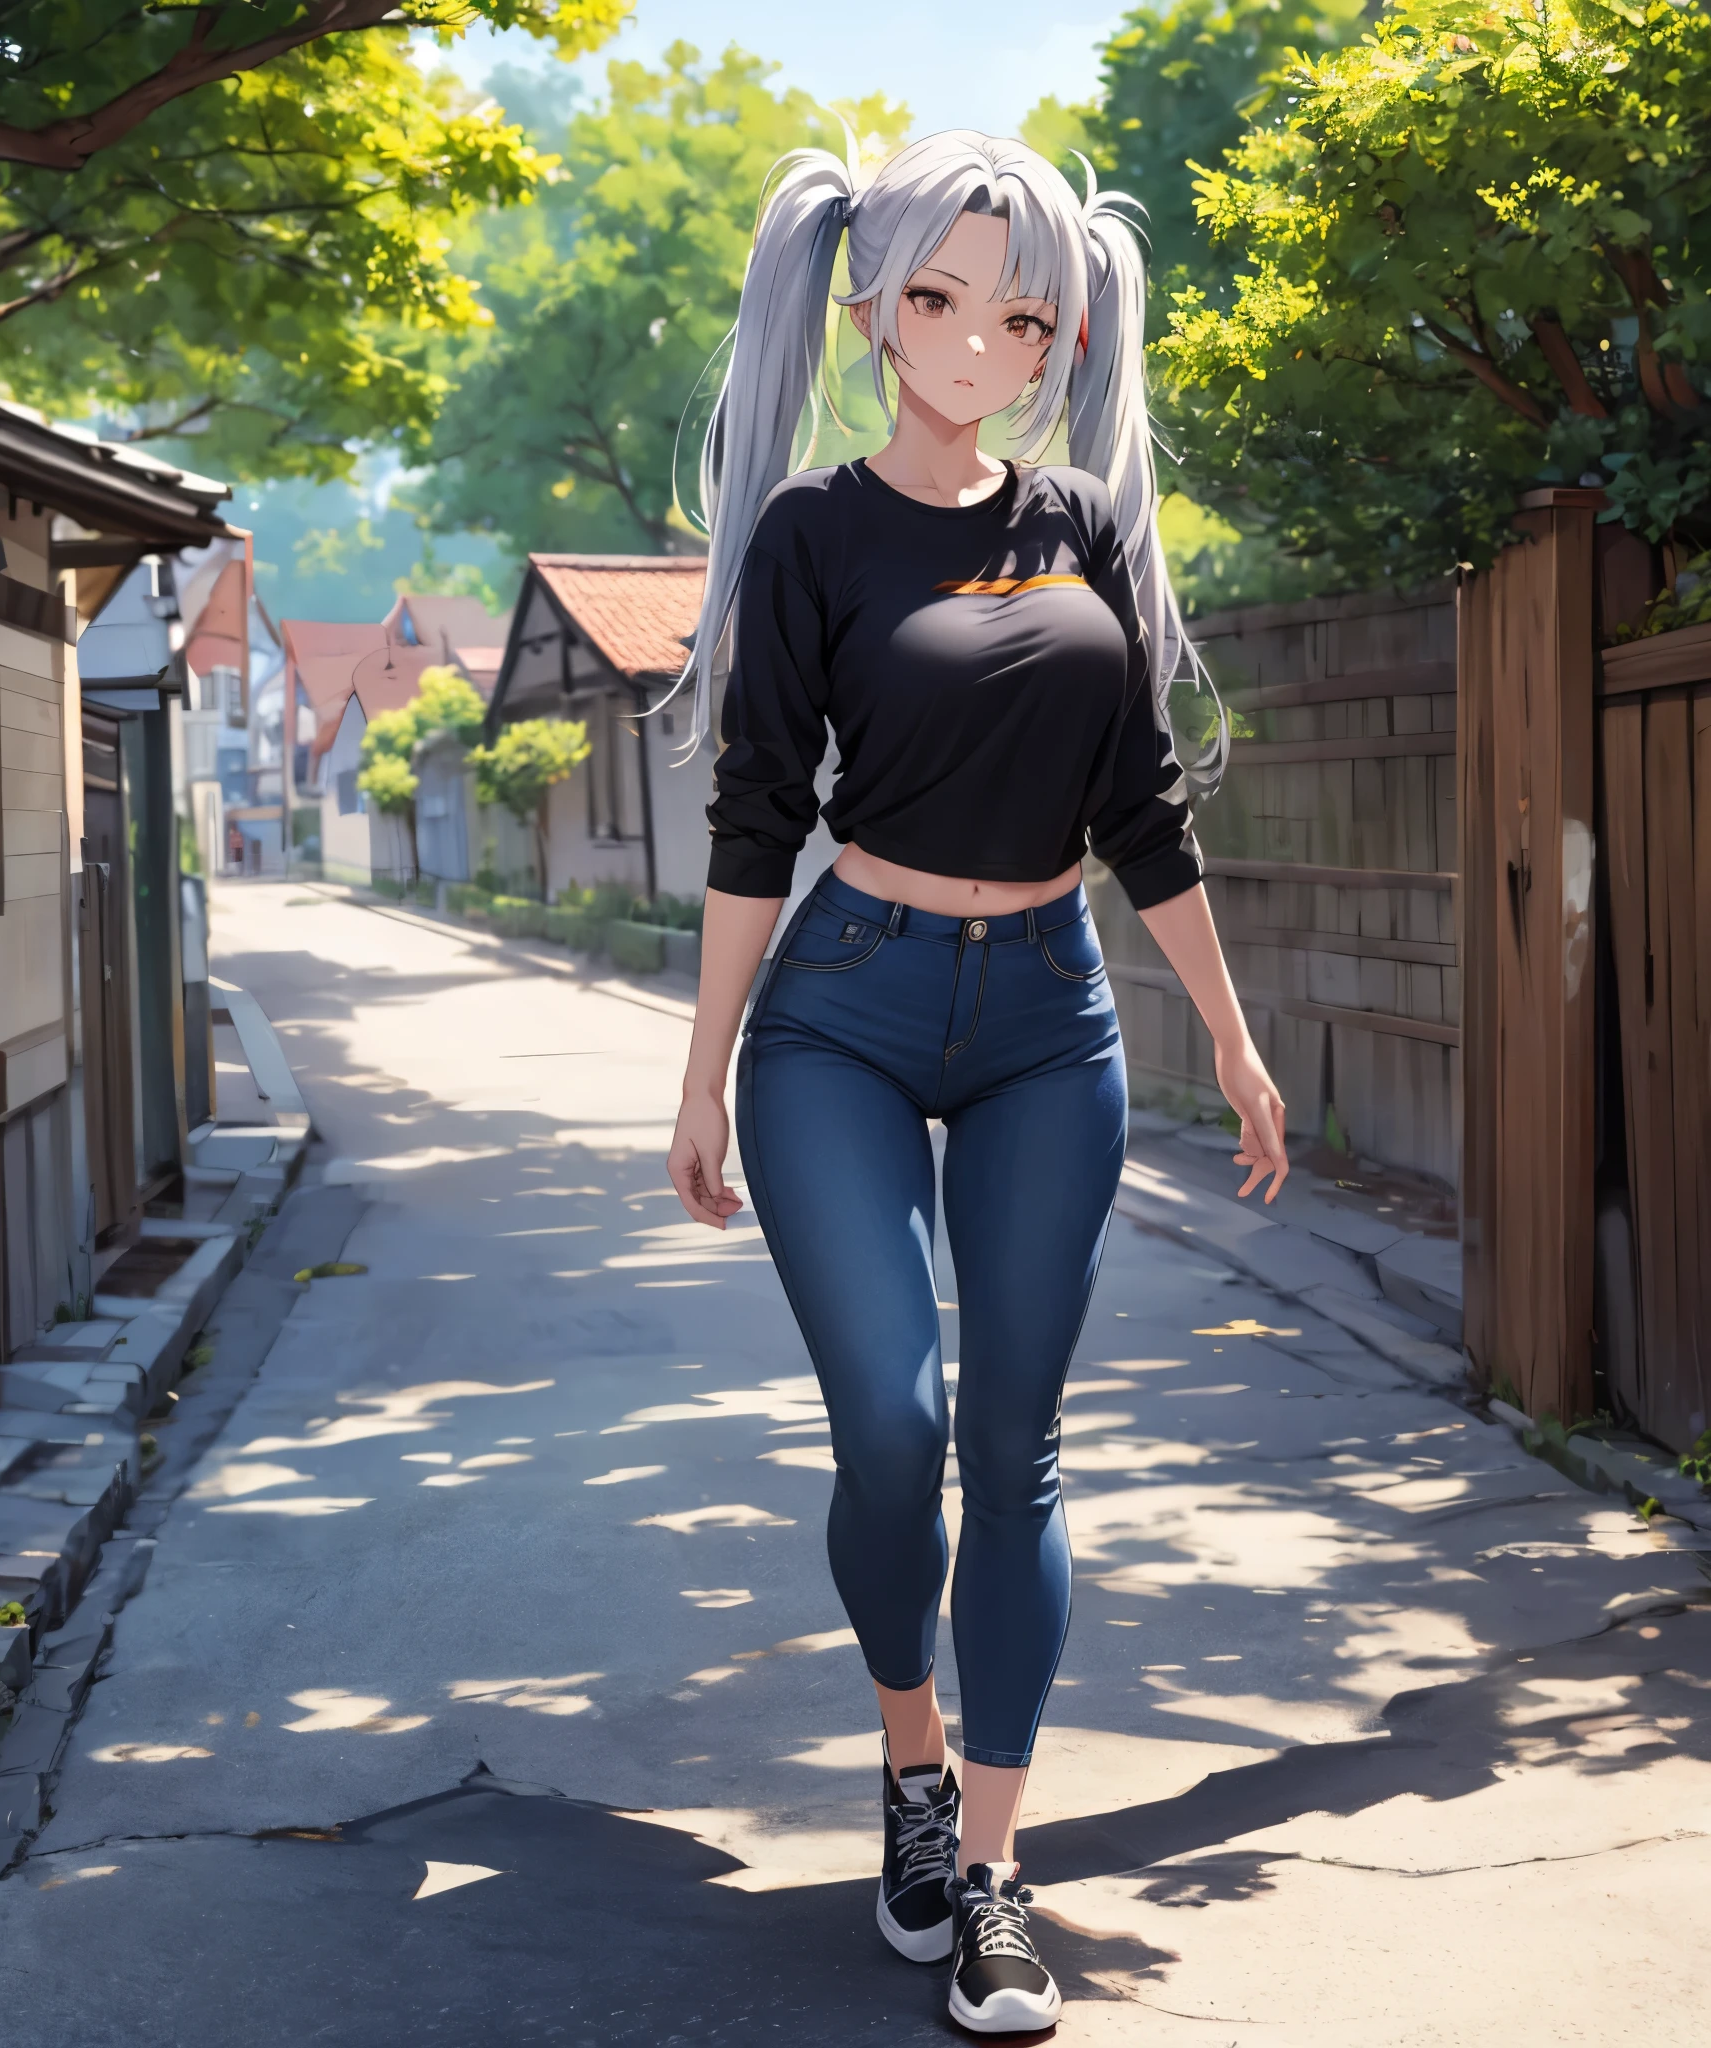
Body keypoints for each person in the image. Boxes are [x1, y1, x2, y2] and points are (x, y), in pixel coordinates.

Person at [664, 130, 1289, 2036]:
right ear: (869, 306)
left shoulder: (1087, 520)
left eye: (1019, 316)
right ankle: (910, 1769)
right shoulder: (811, 535)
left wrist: (1240, 1045)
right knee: (894, 1423)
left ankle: (998, 1876)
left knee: (1014, 1449)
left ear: (1057, 339)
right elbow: (757, 811)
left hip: (1047, 1017)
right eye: (937, 299)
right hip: (841, 1010)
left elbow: (1144, 806)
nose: (975, 341)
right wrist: (702, 1079)